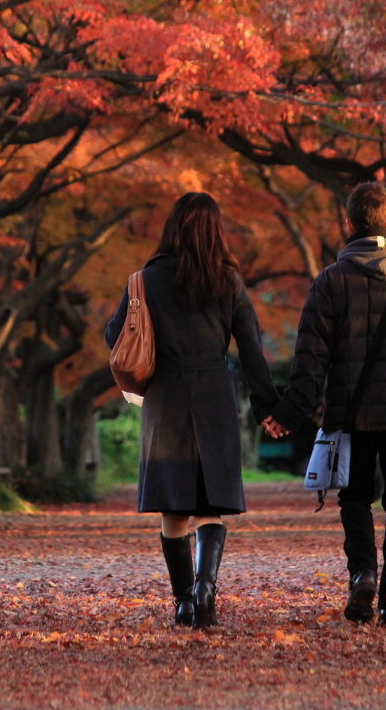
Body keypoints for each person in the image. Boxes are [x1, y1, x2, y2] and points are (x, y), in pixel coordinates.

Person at [263, 182, 386, 627]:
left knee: (354, 499)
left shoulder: (331, 282)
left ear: (349, 225)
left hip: (350, 415)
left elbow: (311, 362)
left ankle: (363, 573)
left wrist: (286, 415)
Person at [105, 192, 279, 629]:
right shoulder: (229, 281)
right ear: (215, 231)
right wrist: (268, 407)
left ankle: (184, 600)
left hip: (165, 396)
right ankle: (207, 586)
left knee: (173, 509)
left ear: (172, 227)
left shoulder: (145, 279)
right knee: (209, 504)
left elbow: (114, 337)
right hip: (214, 393)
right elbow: (253, 352)